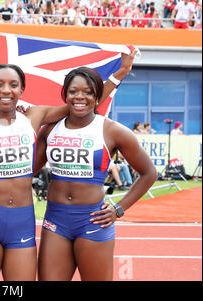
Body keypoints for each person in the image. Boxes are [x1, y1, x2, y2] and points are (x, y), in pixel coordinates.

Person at [0, 50, 136, 281]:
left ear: (21, 91)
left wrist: (119, 74)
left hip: (22, 222)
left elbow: (83, 103)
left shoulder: (34, 116)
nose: (6, 90)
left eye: (13, 84)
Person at [33, 66, 157, 281]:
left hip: (92, 220)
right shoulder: (51, 128)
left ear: (97, 96)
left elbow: (149, 173)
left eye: (88, 92)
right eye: (73, 91)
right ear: (65, 94)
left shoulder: (112, 130)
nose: (79, 97)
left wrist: (119, 208)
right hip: (55, 220)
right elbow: (28, 171)